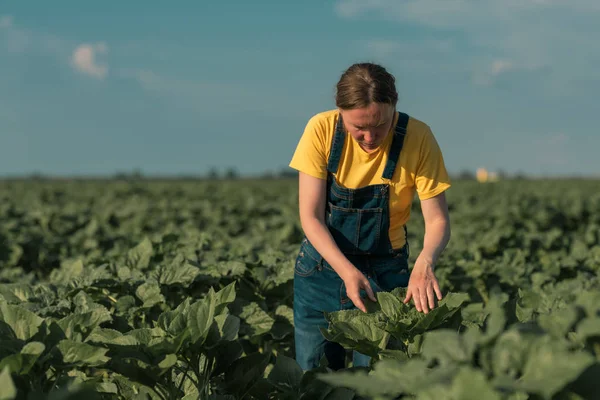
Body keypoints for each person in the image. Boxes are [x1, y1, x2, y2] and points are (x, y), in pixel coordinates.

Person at [288, 62, 452, 372]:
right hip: (322, 270)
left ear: (394, 106)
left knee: (379, 377)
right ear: (340, 112)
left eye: (380, 125)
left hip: (385, 271)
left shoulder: (417, 137)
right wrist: (347, 272)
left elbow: (438, 220)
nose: (369, 137)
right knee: (316, 379)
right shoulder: (321, 130)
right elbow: (310, 217)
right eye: (358, 128)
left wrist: (425, 263)